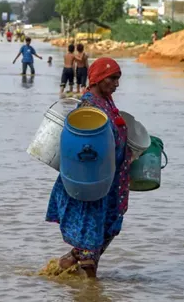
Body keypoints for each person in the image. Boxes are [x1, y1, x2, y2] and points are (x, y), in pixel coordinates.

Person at [46, 57, 131, 279]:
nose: (116, 84)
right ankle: (91, 291)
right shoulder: (88, 106)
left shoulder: (107, 103)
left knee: (104, 233)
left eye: (118, 79)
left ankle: (60, 271)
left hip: (109, 182)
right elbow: (85, 147)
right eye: (113, 78)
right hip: (91, 185)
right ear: (99, 78)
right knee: (89, 246)